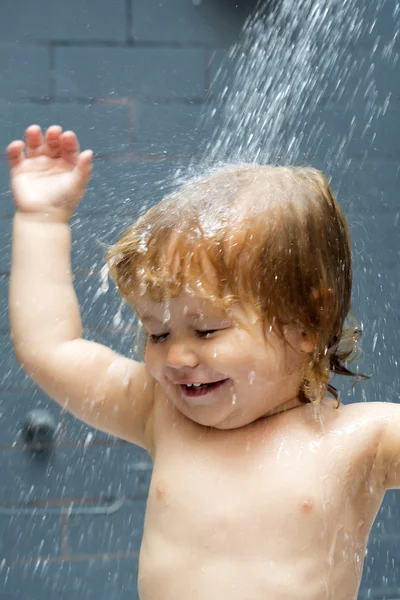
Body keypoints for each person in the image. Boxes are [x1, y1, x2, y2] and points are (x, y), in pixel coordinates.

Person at [7, 124, 400, 600]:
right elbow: (52, 349)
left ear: (307, 323)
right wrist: (42, 220)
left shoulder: (365, 440)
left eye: (208, 330)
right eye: (157, 333)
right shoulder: (162, 413)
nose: (175, 356)